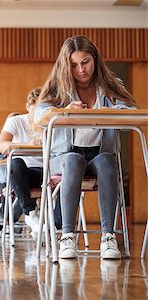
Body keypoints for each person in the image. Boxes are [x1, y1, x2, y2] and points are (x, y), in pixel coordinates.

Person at [34, 35, 137, 259]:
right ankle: (67, 236)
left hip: (99, 153)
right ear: (65, 65)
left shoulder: (112, 85)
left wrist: (114, 112)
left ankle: (108, 237)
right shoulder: (57, 87)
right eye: (74, 65)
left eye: (85, 62)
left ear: (95, 60)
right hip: (66, 155)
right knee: (73, 160)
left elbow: (129, 115)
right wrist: (64, 110)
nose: (81, 70)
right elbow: (39, 117)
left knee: (109, 161)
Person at [0, 87, 62, 240]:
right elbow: (1, 146)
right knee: (15, 162)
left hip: (50, 171)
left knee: (71, 168)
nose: (39, 115)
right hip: (25, 173)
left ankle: (56, 224)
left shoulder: (52, 122)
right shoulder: (16, 121)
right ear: (28, 107)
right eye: (36, 110)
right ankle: (30, 213)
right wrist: (29, 144)